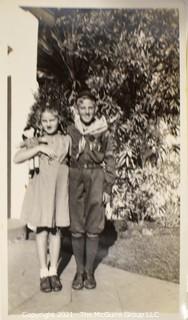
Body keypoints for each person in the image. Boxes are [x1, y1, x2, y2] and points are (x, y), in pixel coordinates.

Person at [14, 103, 71, 293]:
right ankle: (43, 273)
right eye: (44, 120)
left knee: (55, 230)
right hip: (41, 190)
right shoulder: (36, 140)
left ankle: (54, 271)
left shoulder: (66, 139)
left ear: (59, 120)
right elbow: (17, 157)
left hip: (58, 190)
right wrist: (40, 149)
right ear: (40, 122)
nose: (48, 123)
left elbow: (74, 160)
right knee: (42, 229)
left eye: (52, 120)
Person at [67, 90, 115, 290]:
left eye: (90, 107)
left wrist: (108, 186)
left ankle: (89, 272)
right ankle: (79, 272)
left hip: (96, 176)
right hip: (75, 176)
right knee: (77, 227)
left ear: (96, 109)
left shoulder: (103, 131)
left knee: (94, 227)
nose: (86, 111)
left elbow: (110, 159)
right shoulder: (71, 129)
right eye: (83, 107)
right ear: (77, 109)